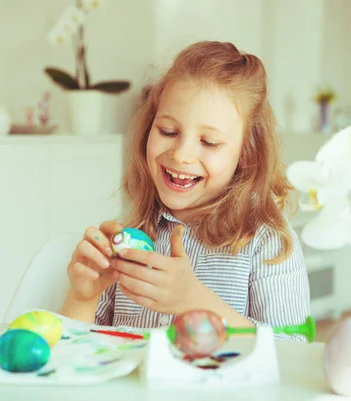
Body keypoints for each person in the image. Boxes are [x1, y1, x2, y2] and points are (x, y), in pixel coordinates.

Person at [61, 41, 311, 340]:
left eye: (209, 142)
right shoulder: (132, 234)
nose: (181, 154)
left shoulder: (268, 243)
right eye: (168, 131)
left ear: (246, 152)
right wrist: (83, 298)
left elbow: (294, 351)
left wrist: (197, 302)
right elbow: (77, 351)